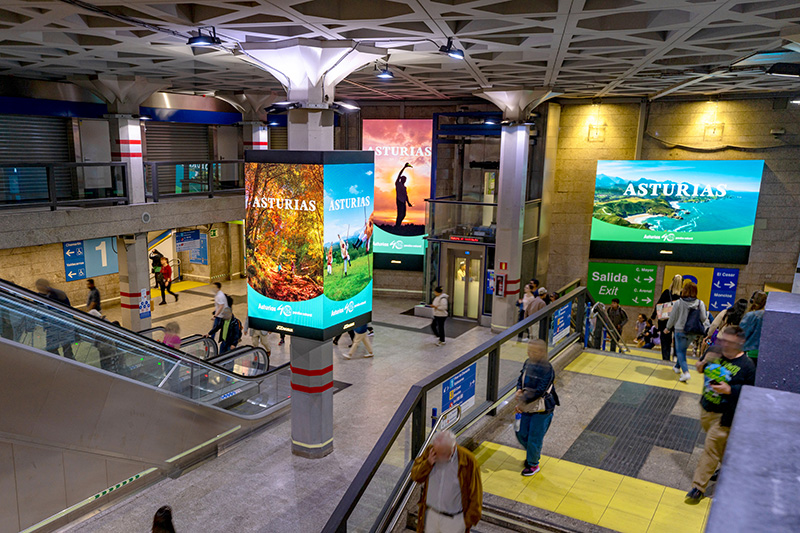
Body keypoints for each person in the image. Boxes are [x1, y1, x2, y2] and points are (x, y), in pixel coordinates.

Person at [685, 325, 756, 504]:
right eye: (724, 340)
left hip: (725, 415)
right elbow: (701, 367)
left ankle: (698, 487)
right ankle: (731, 470)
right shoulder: (715, 351)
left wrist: (730, 389)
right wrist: (700, 364)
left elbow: (751, 392)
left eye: (730, 343)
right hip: (706, 407)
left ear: (740, 343)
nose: (725, 345)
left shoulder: (747, 366)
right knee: (719, 448)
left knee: (710, 448)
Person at [410, 430, 482, 533]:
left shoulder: (468, 461)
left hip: (454, 521)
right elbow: (415, 476)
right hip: (431, 515)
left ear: (453, 448)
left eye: (443, 454)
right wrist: (428, 463)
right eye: (437, 453)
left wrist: (466, 522)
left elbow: (476, 496)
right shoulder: (430, 452)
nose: (439, 457)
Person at [514, 339, 559, 476]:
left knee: (535, 436)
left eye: (534, 351)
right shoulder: (528, 363)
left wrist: (522, 402)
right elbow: (521, 378)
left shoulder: (547, 368)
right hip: (527, 405)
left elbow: (540, 390)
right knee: (521, 433)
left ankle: (533, 464)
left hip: (542, 409)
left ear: (542, 352)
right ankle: (532, 453)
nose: (530, 353)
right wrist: (519, 389)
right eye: (529, 350)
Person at [666, 281, 710, 382]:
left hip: (679, 331)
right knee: (683, 349)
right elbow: (703, 318)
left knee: (680, 352)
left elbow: (672, 317)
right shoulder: (700, 303)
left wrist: (667, 328)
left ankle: (686, 373)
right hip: (692, 332)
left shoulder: (679, 302)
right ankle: (677, 367)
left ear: (684, 290)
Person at [35, 278, 75, 360]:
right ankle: (60, 363)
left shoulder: (58, 294)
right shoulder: (38, 297)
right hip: (51, 327)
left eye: (40, 285)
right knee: (52, 349)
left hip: (62, 326)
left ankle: (68, 364)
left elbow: (68, 310)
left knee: (66, 348)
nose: (38, 288)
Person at [652, 274, 682, 362]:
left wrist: (654, 315)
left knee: (665, 341)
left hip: (665, 320)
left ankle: (666, 359)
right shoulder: (682, 295)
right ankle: (676, 358)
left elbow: (659, 305)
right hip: (678, 321)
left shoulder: (666, 292)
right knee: (678, 340)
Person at [740, 291, 766, 367]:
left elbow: (742, 334)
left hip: (749, 352)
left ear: (752, 300)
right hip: (762, 353)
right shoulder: (768, 316)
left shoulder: (750, 315)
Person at [395, 162, 414, 228]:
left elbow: (406, 196)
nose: (405, 180)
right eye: (404, 179)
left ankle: (398, 225)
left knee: (403, 215)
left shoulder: (404, 187)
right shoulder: (398, 184)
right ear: (401, 179)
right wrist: (404, 167)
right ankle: (397, 226)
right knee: (399, 214)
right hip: (399, 200)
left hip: (403, 201)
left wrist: (408, 203)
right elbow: (399, 174)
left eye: (405, 179)